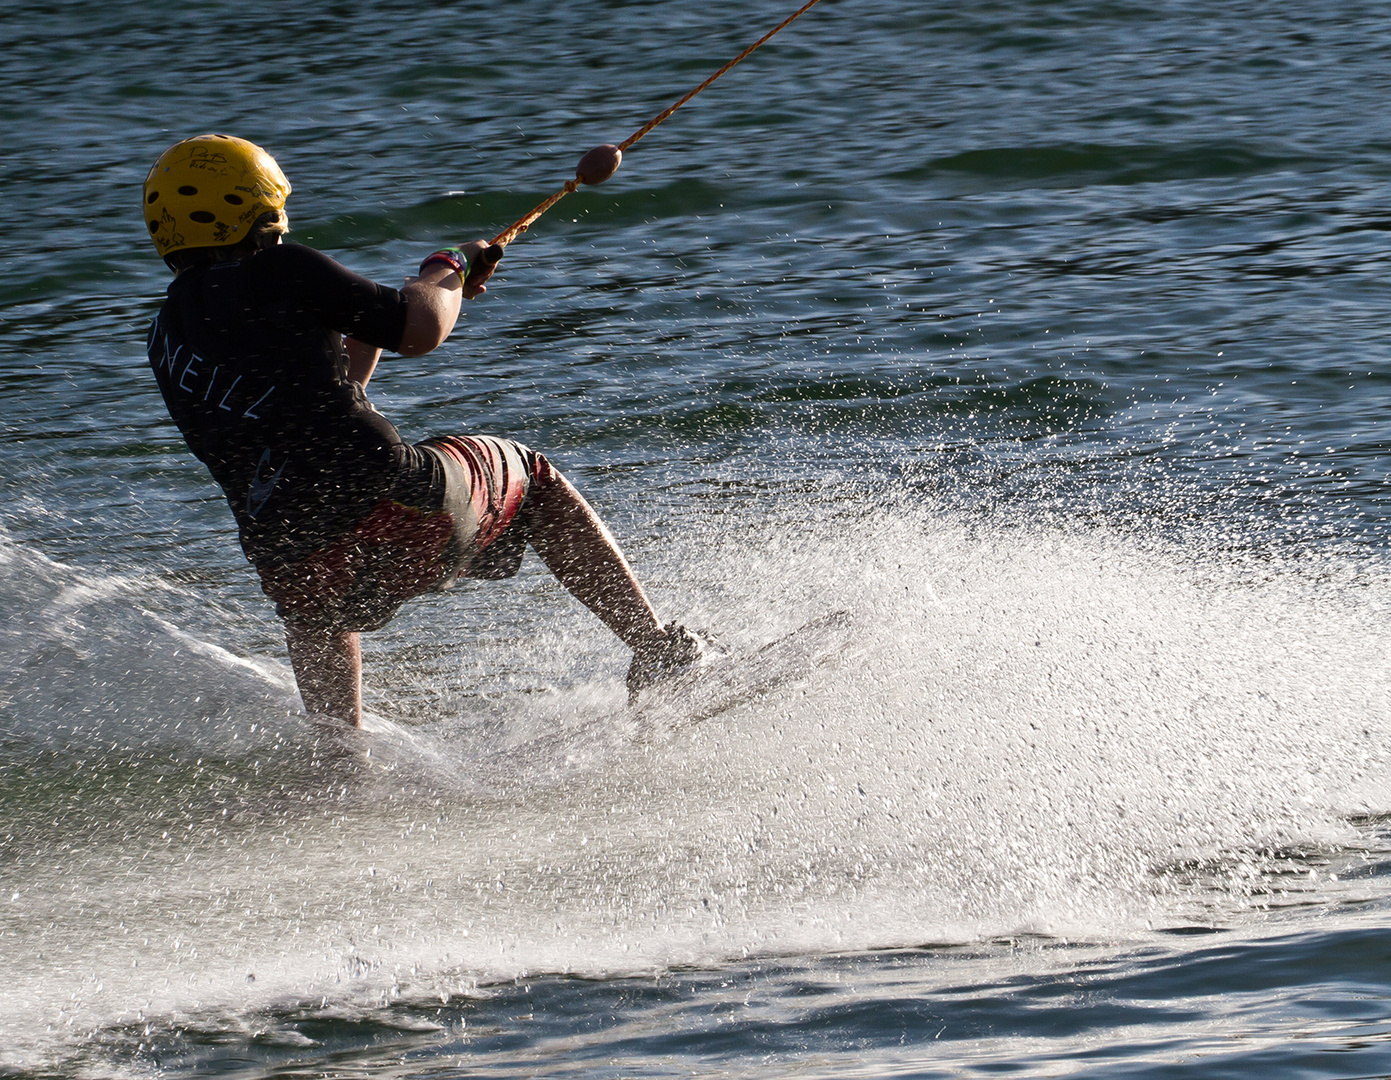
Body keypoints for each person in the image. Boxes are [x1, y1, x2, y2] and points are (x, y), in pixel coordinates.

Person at [142, 133, 701, 726]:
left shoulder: (165, 334)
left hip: (291, 557)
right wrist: (449, 267)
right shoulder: (280, 269)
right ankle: (656, 648)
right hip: (395, 504)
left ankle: (338, 763)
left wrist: (418, 300)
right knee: (533, 479)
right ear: (263, 211)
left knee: (319, 613)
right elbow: (419, 329)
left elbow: (326, 392)